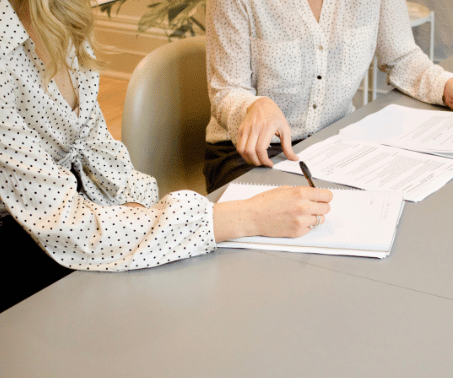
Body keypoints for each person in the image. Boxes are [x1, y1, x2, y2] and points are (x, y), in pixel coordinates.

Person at [0, 0, 332, 312]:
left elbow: (97, 147)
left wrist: (136, 210)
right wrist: (246, 218)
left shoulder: (62, 15)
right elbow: (68, 226)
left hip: (74, 219)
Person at [204, 0, 453, 193]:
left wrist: (447, 86)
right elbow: (226, 91)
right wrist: (254, 106)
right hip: (250, 155)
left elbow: (401, 57)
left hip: (334, 145)